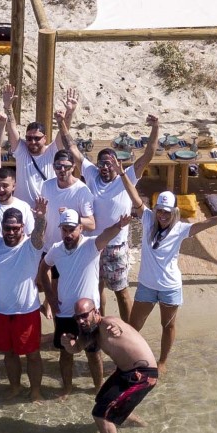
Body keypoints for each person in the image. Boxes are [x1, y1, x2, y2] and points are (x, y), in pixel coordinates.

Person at [129, 190, 217, 375]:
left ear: (174, 212)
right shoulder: (147, 219)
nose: (162, 215)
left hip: (169, 287)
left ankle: (162, 361)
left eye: (167, 212)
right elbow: (134, 196)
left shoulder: (180, 229)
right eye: (160, 211)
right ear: (155, 210)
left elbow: (206, 223)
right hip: (146, 285)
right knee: (133, 327)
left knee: (168, 325)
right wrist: (122, 174)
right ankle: (130, 358)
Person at [69, 100, 161, 322]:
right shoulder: (90, 173)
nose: (105, 167)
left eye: (110, 163)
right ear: (97, 164)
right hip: (93, 244)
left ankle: (129, 331)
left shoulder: (126, 176)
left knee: (121, 291)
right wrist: (64, 122)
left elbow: (149, 154)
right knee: (96, 287)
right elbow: (71, 148)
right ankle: (100, 325)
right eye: (102, 163)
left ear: (117, 164)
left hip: (117, 246)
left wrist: (155, 128)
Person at [40, 207, 131, 396]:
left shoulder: (91, 245)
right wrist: (50, 298)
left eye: (71, 229)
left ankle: (98, 389)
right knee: (65, 355)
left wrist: (119, 226)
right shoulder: (56, 249)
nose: (68, 233)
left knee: (93, 354)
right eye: (64, 229)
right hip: (65, 312)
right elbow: (43, 270)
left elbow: (106, 235)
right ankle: (66, 388)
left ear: (80, 228)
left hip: (89, 315)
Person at [61, 298, 160, 433]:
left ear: (96, 312)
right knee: (101, 398)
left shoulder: (107, 323)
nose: (81, 320)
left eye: (84, 315)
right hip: (126, 372)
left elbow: (117, 327)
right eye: (77, 317)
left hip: (143, 375)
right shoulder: (90, 332)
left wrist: (116, 329)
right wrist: (66, 342)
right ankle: (135, 421)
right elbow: (76, 348)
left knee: (100, 413)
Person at [0, 204, 50, 401]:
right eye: (8, 228)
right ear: (2, 227)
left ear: (23, 227)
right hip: (1, 311)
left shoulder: (31, 245)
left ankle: (35, 391)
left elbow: (39, 235)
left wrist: (40, 218)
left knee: (32, 354)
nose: (12, 232)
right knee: (9, 353)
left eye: (16, 228)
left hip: (27, 312)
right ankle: (15, 387)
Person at [1, 82, 69, 204]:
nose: (32, 142)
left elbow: (64, 134)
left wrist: (69, 113)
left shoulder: (52, 151)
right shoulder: (22, 151)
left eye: (37, 138)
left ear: (45, 138)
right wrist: (8, 106)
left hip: (48, 210)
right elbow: (11, 128)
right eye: (29, 138)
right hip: (23, 213)